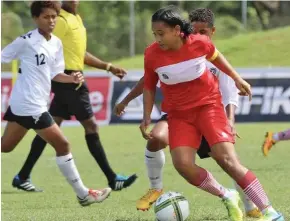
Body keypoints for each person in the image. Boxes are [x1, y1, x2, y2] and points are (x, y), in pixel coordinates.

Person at [114, 8, 262, 218]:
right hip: (179, 113)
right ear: (184, 30)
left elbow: (230, 95)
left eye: (204, 32)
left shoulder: (213, 57)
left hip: (210, 114)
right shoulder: (168, 51)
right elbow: (149, 80)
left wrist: (230, 120)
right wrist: (128, 100)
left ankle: (249, 206)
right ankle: (156, 187)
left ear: (212, 32)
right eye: (195, 30)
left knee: (228, 162)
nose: (199, 35)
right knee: (156, 137)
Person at [140, 5, 284, 221]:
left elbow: (217, 57)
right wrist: (146, 117)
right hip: (179, 115)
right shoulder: (152, 54)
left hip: (208, 107)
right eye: (155, 34)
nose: (157, 38)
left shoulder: (199, 43)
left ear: (177, 30)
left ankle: (269, 211)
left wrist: (236, 78)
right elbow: (149, 86)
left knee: (227, 160)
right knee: (183, 165)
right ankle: (226, 194)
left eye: (161, 33)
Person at [12, 0, 137, 192]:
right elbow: (42, 46)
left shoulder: (75, 18)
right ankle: (112, 178)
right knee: (91, 126)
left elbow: (80, 53)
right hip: (68, 79)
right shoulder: (60, 20)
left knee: (51, 126)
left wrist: (108, 67)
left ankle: (22, 175)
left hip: (72, 78)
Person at [1, 1, 111, 206]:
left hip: (33, 104)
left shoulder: (56, 43)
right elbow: (2, 56)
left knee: (5, 146)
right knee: (63, 144)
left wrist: (71, 79)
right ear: (35, 19)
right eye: (46, 17)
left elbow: (54, 74)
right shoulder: (25, 41)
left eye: (54, 17)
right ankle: (83, 194)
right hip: (29, 104)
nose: (51, 21)